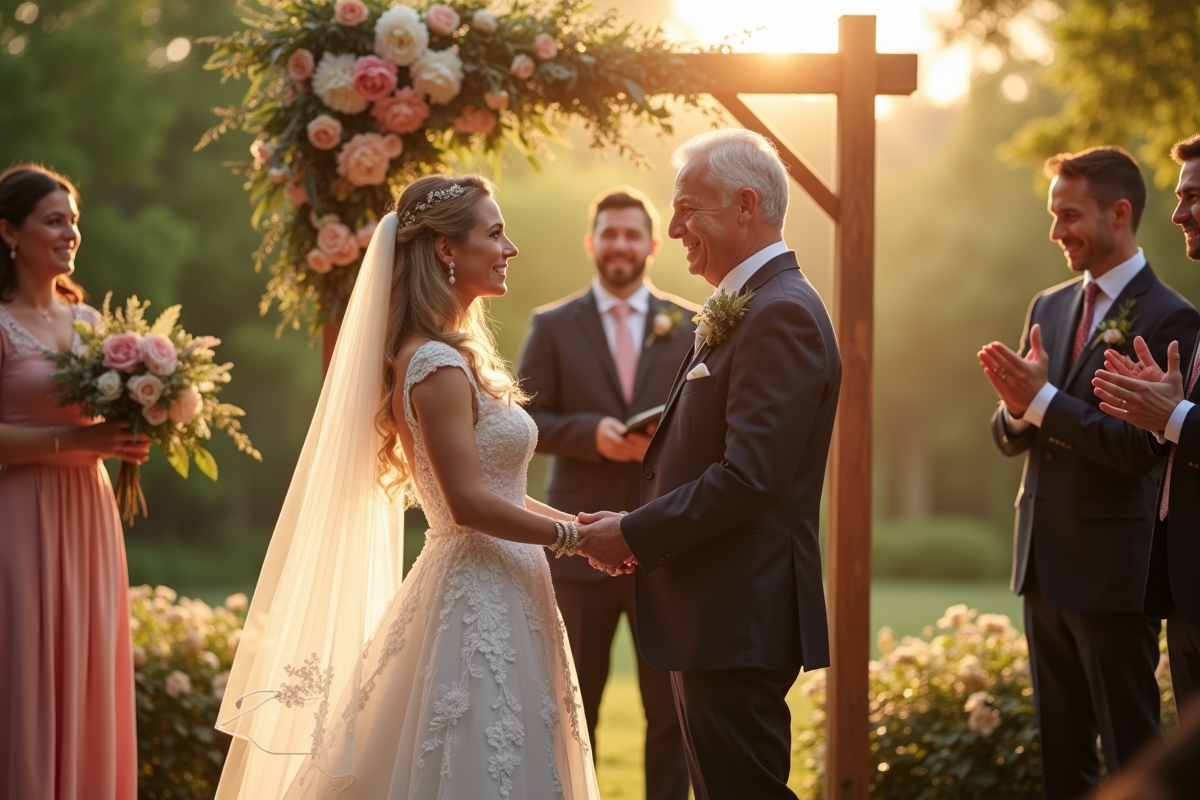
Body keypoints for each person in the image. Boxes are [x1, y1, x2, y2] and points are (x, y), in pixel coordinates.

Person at [214, 175, 599, 800]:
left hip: (511, 585)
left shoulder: (456, 355)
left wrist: (578, 524)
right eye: (495, 233)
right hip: (476, 597)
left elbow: (495, 490)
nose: (511, 248)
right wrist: (575, 538)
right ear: (447, 250)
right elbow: (468, 506)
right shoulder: (435, 365)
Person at [575, 129, 842, 800]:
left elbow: (751, 476)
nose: (673, 227)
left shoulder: (780, 313)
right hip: (718, 612)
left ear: (746, 205)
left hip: (737, 615)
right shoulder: (753, 306)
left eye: (688, 208)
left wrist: (633, 533)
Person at [977, 146, 1200, 799]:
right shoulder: (1047, 306)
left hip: (1113, 574)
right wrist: (1018, 412)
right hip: (1041, 566)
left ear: (1120, 214)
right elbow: (1012, 430)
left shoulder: (1172, 316)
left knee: (1134, 757)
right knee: (1060, 761)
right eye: (1053, 216)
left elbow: (1141, 448)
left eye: (1070, 215)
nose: (1056, 232)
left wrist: (1042, 403)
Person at [515, 187, 693, 800]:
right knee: (570, 707)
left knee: (671, 712)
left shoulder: (695, 323)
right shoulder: (552, 325)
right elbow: (521, 423)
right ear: (592, 243)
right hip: (577, 538)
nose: (620, 245)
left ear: (652, 244)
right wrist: (593, 435)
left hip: (664, 542)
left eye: (632, 234)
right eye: (609, 234)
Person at [0, 164, 149, 799]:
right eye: (53, 221)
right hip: (19, 517)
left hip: (89, 517)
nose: (70, 233)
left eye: (74, 221)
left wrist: (142, 424)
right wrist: (77, 442)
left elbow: (109, 417)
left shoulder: (91, 321)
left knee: (89, 668)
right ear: (8, 232)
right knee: (25, 673)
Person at [1091, 134, 1200, 709]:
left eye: (1195, 196)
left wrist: (1177, 415)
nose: (1179, 212)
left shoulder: (1176, 310)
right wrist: (1163, 415)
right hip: (1185, 598)